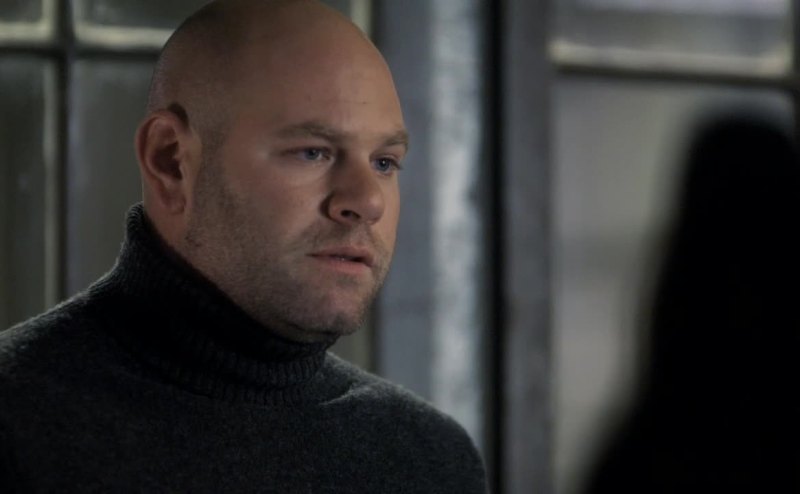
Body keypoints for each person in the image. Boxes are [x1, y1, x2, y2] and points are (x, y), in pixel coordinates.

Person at [0, 1, 487, 491]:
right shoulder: (17, 424)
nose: (367, 202)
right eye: (313, 152)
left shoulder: (432, 460)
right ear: (171, 162)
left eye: (384, 162)